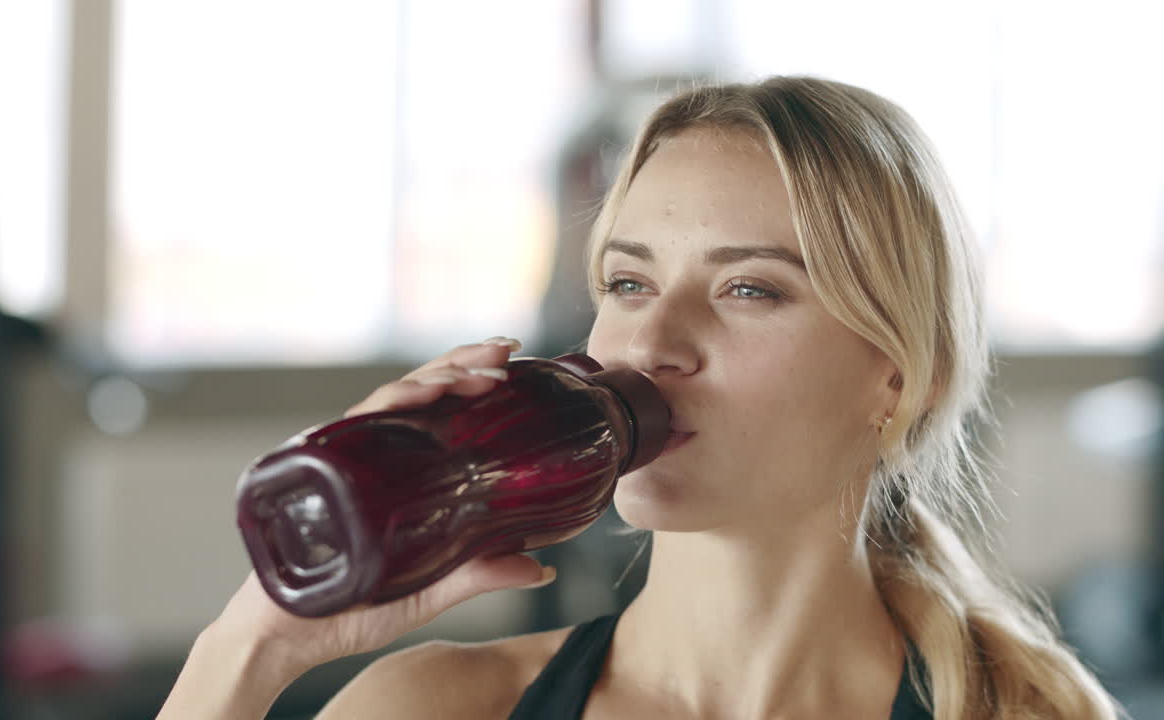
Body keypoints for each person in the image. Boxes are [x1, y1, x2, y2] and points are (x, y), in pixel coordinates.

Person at [157, 77, 1123, 719]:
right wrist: (258, 644)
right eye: (628, 284)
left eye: (749, 289)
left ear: (901, 378)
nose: (652, 344)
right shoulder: (438, 707)